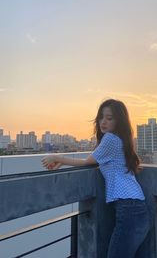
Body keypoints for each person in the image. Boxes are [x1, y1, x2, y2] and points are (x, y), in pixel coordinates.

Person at [42, 99, 150, 258]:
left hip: (129, 211)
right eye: (101, 117)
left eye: (109, 118)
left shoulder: (111, 139)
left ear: (119, 121)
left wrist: (57, 157)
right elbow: (96, 161)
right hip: (135, 209)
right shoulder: (120, 140)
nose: (103, 122)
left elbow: (88, 162)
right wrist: (62, 162)